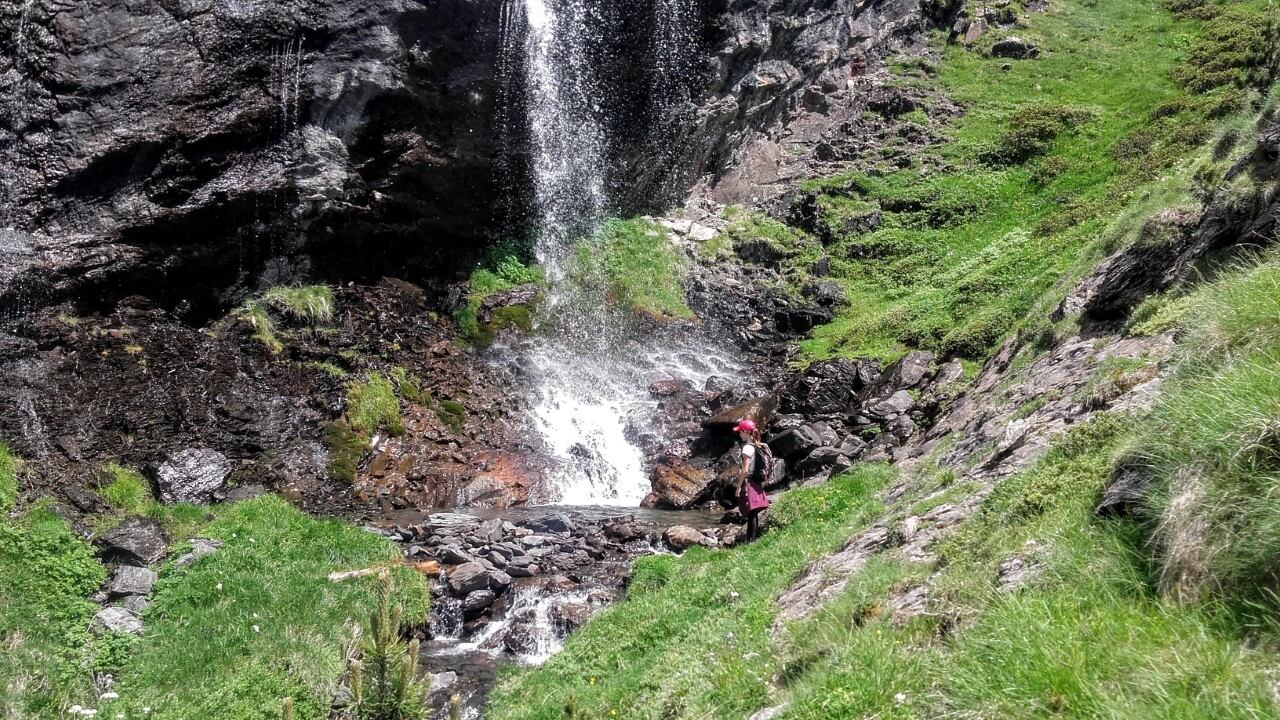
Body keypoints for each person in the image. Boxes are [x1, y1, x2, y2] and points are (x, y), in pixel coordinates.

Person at [733, 418, 771, 541]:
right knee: (754, 512)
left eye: (740, 431)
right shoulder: (758, 445)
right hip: (757, 481)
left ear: (746, 432)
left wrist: (738, 487)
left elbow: (745, 469)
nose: (739, 434)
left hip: (749, 482)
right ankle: (754, 538)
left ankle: (751, 540)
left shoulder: (747, 448)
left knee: (751, 513)